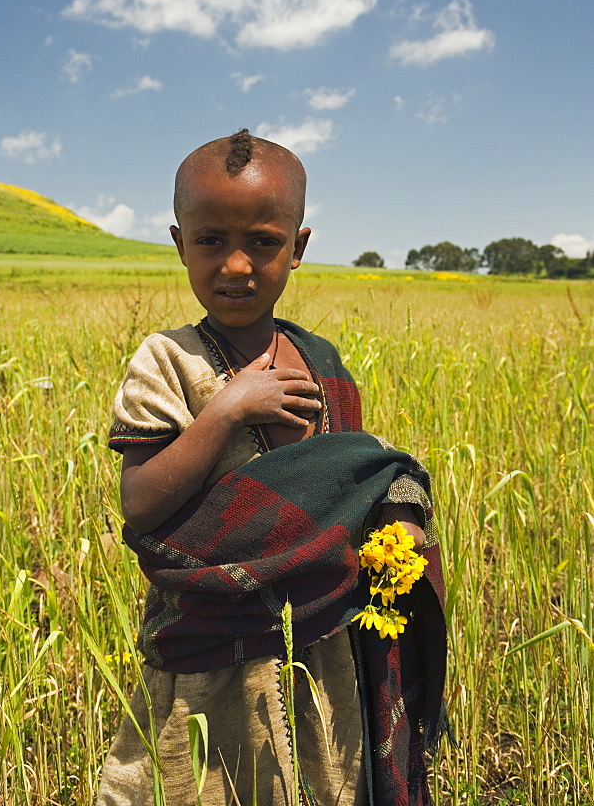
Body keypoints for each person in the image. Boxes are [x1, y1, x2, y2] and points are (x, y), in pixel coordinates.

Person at [98, 130, 447, 806]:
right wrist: (226, 410)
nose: (235, 265)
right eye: (209, 241)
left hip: (325, 656)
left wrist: (398, 514)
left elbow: (359, 477)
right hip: (207, 660)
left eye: (262, 242)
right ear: (178, 243)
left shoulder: (323, 362)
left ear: (298, 247)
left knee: (321, 786)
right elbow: (141, 503)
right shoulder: (169, 362)